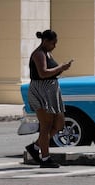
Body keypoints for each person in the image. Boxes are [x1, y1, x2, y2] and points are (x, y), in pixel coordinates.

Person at [24, 29, 72, 169]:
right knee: (46, 125)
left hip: (50, 90)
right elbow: (43, 73)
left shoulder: (47, 53)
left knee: (59, 123)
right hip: (41, 91)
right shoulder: (39, 54)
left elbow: (51, 72)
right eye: (53, 43)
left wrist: (62, 68)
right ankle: (45, 158)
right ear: (45, 41)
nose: (54, 46)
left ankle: (36, 146)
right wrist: (60, 67)